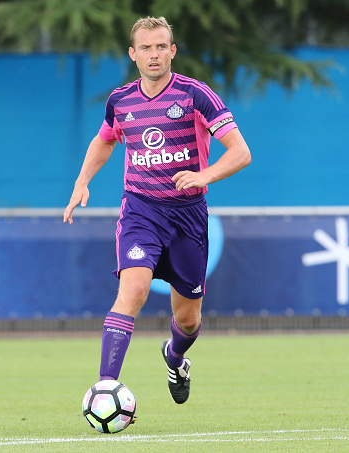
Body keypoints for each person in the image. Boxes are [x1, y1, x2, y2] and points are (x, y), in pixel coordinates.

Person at [63, 16, 251, 404]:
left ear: (172, 51)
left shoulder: (196, 96)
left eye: (161, 46)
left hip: (188, 217)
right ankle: (105, 387)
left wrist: (204, 175)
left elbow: (241, 152)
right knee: (132, 291)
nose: (154, 54)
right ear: (133, 55)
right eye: (146, 48)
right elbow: (105, 141)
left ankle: (174, 355)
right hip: (141, 211)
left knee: (188, 319)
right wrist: (82, 181)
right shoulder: (120, 101)